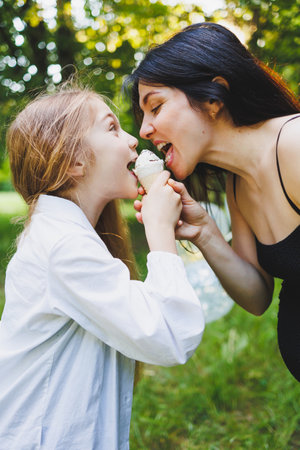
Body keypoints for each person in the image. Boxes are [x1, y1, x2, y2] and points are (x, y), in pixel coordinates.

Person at [0, 85, 205, 449]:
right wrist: (159, 231)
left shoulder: (68, 236)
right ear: (73, 162)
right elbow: (171, 336)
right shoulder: (63, 246)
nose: (132, 140)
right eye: (111, 128)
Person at [126, 22, 300, 381]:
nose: (143, 130)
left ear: (212, 97)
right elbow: (257, 296)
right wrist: (204, 231)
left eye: (155, 107)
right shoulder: (237, 184)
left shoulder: (294, 145)